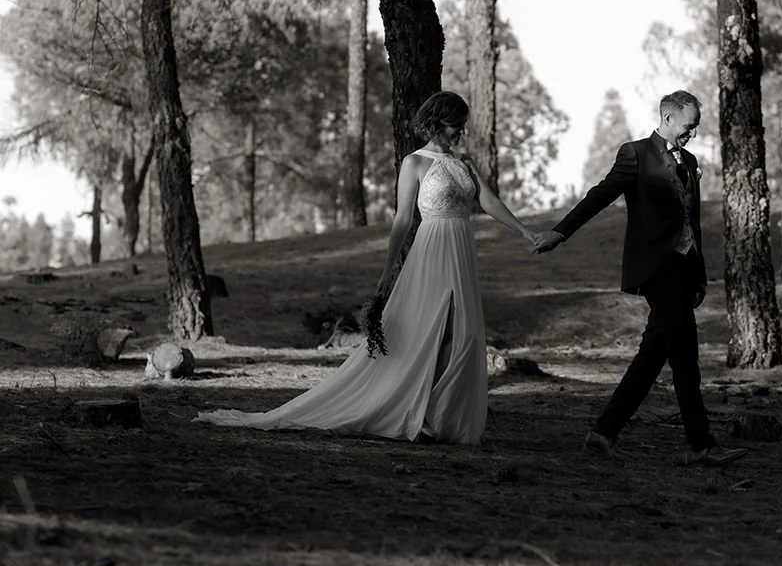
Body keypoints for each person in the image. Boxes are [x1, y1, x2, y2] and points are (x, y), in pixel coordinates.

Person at [197, 91, 541, 443]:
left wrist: (526, 233)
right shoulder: (415, 163)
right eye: (458, 125)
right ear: (439, 121)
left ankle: (440, 414)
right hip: (432, 251)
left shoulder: (464, 163)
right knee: (432, 333)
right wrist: (387, 270)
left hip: (461, 249)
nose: (462, 132)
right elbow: (403, 219)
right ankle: (418, 413)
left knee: (464, 336)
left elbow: (489, 201)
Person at [533, 90, 746, 467]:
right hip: (656, 267)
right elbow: (600, 196)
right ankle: (699, 444)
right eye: (689, 126)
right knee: (686, 357)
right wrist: (560, 232)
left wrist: (699, 275)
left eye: (696, 127)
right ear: (667, 118)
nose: (693, 134)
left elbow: (691, 221)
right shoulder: (635, 154)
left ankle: (603, 433)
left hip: (683, 268)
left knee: (652, 356)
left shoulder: (690, 161)